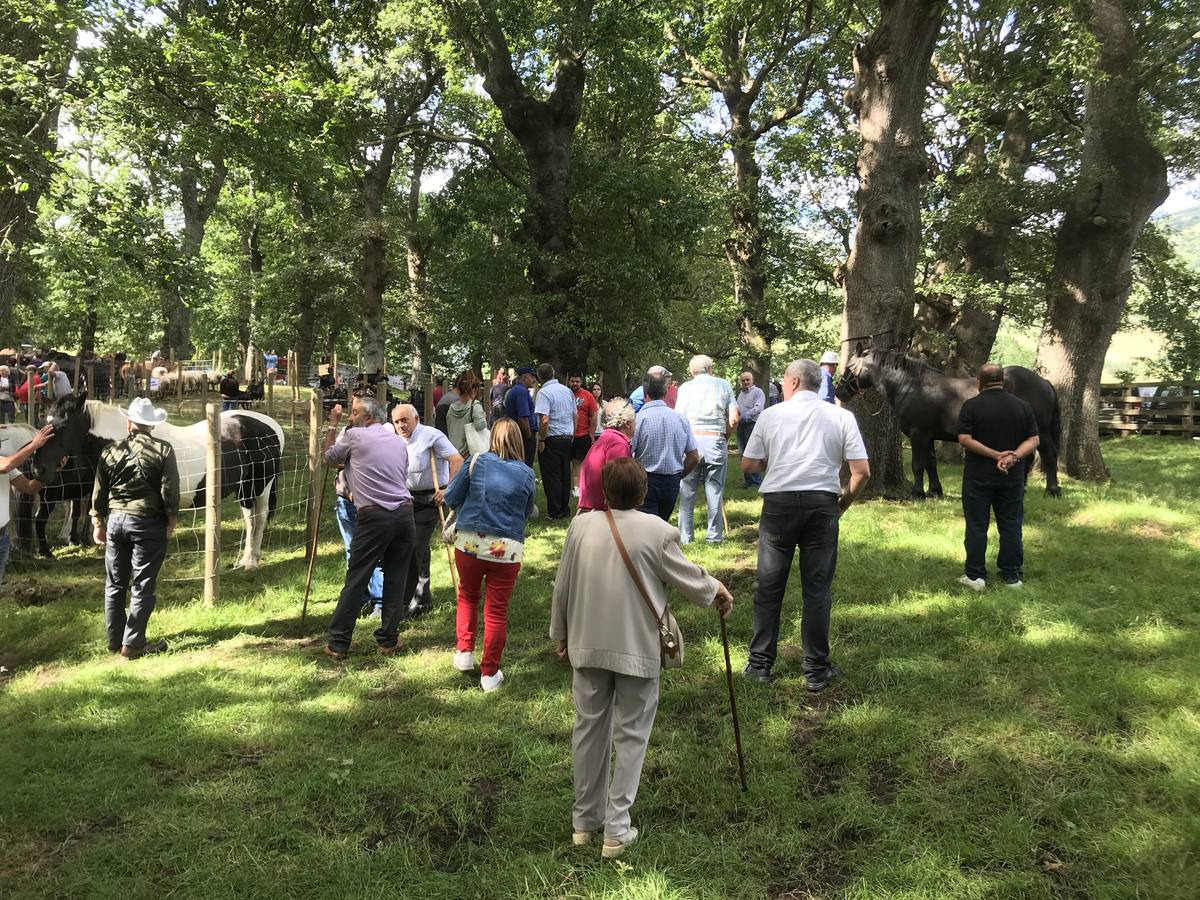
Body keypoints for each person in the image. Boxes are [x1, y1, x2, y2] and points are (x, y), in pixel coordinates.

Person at [550, 458, 734, 858]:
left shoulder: (580, 526)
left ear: (602, 490)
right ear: (644, 492)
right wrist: (716, 589)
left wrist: (559, 634)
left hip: (588, 643)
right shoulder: (657, 531)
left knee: (588, 730)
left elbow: (561, 585)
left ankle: (584, 822)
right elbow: (689, 577)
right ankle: (616, 828)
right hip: (637, 648)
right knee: (631, 734)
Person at [740, 359, 870, 690]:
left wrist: (775, 460)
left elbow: (748, 464)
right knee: (817, 589)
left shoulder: (771, 415)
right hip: (821, 505)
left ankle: (759, 665)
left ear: (794, 382)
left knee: (769, 587)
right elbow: (861, 472)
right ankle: (816, 669)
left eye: (784, 381)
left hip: (779, 505)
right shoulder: (842, 417)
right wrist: (843, 503)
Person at [443, 418, 536, 691]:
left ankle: (464, 652)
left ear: (492, 437)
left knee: (468, 596)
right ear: (518, 440)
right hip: (507, 549)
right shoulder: (526, 473)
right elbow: (528, 509)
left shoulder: (477, 461)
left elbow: (451, 497)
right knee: (496, 611)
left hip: (470, 543)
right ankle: (490, 673)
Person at [321, 396, 415, 660]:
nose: (350, 418)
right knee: (396, 578)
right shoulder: (398, 442)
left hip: (375, 517)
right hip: (405, 515)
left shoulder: (353, 437)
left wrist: (332, 424)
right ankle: (389, 639)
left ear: (369, 417)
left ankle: (338, 643)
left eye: (354, 413)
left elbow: (328, 458)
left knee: (357, 576)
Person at [89, 398, 181, 658]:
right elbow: (169, 490)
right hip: (148, 522)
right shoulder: (163, 450)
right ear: (152, 426)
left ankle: (114, 640)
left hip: (116, 521)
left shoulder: (110, 450)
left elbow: (99, 490)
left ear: (129, 422)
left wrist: (98, 522)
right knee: (142, 584)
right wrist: (172, 519)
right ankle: (133, 644)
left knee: (115, 583)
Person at [956, 363, 1040, 591]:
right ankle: (1011, 576)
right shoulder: (1022, 406)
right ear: (1002, 380)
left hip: (978, 477)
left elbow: (964, 439)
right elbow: (1034, 440)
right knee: (1011, 525)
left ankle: (975, 577)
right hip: (1012, 477)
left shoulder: (971, 406)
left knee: (976, 525)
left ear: (979, 382)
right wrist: (1013, 457)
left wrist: (995, 455)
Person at [392, 403, 464, 616]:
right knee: (413, 547)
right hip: (405, 499)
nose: (401, 425)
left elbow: (457, 460)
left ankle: (407, 603)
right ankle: (423, 599)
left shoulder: (431, 435)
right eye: (397, 422)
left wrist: (449, 488)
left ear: (416, 418)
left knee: (415, 546)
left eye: (405, 420)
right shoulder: (395, 441)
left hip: (430, 499)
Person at [674, 355, 737, 544]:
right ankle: (714, 537)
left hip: (691, 440)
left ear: (691, 372)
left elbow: (678, 418)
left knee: (687, 490)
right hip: (715, 438)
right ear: (711, 369)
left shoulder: (685, 388)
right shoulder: (724, 385)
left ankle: (685, 538)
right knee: (714, 490)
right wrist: (725, 436)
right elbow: (734, 418)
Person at [331, 425, 385, 619]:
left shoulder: (381, 436)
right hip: (345, 499)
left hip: (370, 503)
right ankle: (359, 599)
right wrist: (332, 425)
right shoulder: (345, 432)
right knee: (351, 551)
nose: (353, 414)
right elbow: (330, 458)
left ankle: (379, 602)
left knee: (375, 552)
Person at [631, 372, 698, 520]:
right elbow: (694, 457)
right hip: (672, 480)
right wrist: (679, 475)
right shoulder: (681, 418)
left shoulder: (639, 419)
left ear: (644, 392)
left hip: (646, 479)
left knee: (646, 528)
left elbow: (627, 453)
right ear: (666, 391)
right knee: (662, 526)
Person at [0, 425, 53, 587]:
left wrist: (51, 470)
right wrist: (34, 445)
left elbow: (30, 487)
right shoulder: (4, 463)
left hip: (3, 536)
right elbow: (5, 466)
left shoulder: (5, 464)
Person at [577, 399, 635, 513]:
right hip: (600, 513)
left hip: (591, 509)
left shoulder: (606, 438)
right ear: (627, 423)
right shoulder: (618, 444)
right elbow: (618, 484)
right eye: (634, 422)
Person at [534, 363, 576, 520]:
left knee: (552, 476)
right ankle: (565, 508)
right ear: (553, 373)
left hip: (551, 437)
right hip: (567, 437)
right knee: (565, 474)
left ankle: (555, 510)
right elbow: (575, 415)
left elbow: (544, 419)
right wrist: (573, 434)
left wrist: (542, 439)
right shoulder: (567, 391)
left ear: (539, 377)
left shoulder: (544, 393)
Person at [568, 372, 599, 496]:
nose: (575, 384)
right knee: (569, 463)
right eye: (572, 381)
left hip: (583, 435)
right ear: (568, 381)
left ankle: (578, 488)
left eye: (577, 381)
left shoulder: (588, 396)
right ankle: (573, 487)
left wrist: (591, 433)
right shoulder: (565, 394)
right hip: (567, 435)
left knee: (579, 463)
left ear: (581, 382)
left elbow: (594, 416)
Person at [445, 370, 488, 457]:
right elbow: (480, 426)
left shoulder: (451, 407)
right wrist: (484, 416)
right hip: (469, 455)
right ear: (474, 389)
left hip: (453, 454)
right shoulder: (475, 405)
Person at [735, 371, 765, 488]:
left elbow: (758, 408)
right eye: (743, 380)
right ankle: (748, 481)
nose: (745, 382)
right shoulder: (741, 394)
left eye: (748, 380)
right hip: (741, 425)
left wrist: (743, 416)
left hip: (751, 424)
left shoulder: (758, 392)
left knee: (752, 453)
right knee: (743, 453)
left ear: (752, 380)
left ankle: (755, 482)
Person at [504, 366, 538, 466]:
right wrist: (529, 437)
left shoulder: (517, 390)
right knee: (525, 468)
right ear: (525, 377)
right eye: (532, 377)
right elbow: (523, 417)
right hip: (522, 435)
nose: (534, 380)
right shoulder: (521, 392)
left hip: (516, 433)